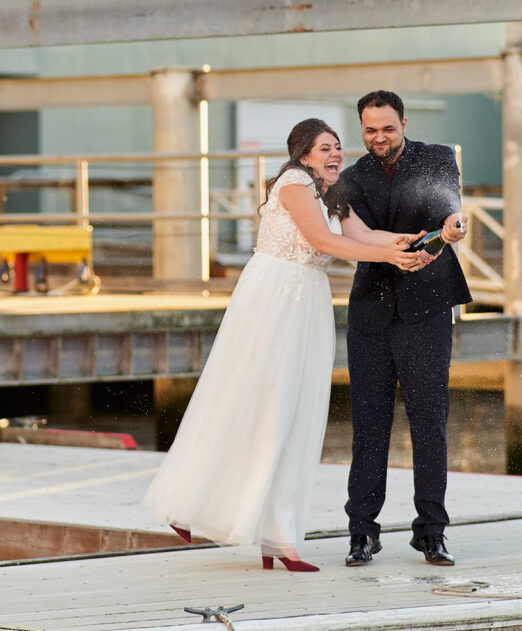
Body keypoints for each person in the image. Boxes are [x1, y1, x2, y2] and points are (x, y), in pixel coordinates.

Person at [144, 118, 423, 572]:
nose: (336, 154)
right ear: (303, 154)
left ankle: (278, 538)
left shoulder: (334, 192)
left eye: (338, 147)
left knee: (298, 413)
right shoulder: (294, 182)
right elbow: (320, 239)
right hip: (274, 296)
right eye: (326, 148)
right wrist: (388, 255)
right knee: (259, 404)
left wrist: (411, 242)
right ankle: (189, 504)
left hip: (308, 299)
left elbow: (362, 236)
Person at [331, 90, 471, 567]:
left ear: (404, 123)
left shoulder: (437, 158)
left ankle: (432, 532)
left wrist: (452, 226)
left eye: (388, 128)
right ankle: (361, 533)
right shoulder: (349, 179)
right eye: (370, 130)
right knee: (369, 425)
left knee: (430, 422)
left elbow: (448, 204)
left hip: (427, 308)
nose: (379, 138)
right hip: (370, 313)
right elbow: (360, 239)